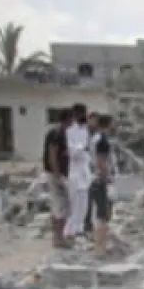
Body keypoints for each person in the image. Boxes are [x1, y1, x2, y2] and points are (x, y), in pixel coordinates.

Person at [63, 103, 92, 244]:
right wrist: (82, 149)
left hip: (84, 172)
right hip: (75, 172)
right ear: (76, 114)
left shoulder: (85, 130)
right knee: (74, 205)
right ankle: (69, 232)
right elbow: (72, 152)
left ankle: (79, 230)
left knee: (84, 204)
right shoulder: (69, 131)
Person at [43, 109, 72, 248]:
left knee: (62, 206)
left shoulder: (62, 133)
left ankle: (59, 237)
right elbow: (52, 155)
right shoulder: (57, 133)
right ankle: (58, 238)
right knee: (60, 206)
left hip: (60, 174)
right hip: (56, 174)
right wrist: (57, 175)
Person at [88, 115, 115, 256]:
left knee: (99, 214)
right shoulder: (103, 140)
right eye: (112, 124)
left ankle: (99, 245)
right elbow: (101, 161)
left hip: (92, 178)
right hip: (100, 180)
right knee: (103, 214)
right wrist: (106, 178)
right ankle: (101, 248)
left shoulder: (94, 138)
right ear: (107, 125)